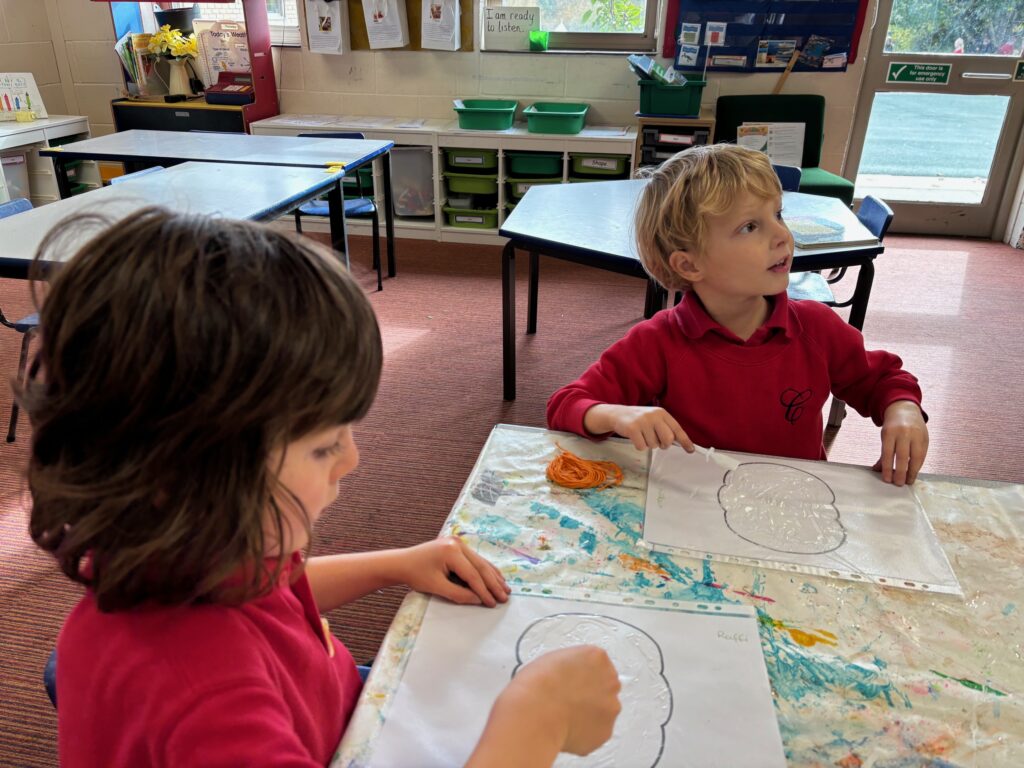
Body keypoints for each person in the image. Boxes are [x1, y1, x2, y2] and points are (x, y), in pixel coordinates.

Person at [23, 209, 621, 767]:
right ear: (185, 469)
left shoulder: (183, 553)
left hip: (329, 707)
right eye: (322, 446)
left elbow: (269, 595)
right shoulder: (209, 703)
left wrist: (397, 564)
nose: (352, 461)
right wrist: (536, 722)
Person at [547, 144, 929, 486]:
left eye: (778, 214)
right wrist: (616, 416)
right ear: (690, 265)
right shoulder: (657, 342)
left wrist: (903, 409)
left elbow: (881, 379)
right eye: (750, 226)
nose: (782, 235)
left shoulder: (816, 327)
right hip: (696, 503)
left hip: (794, 498)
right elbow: (566, 405)